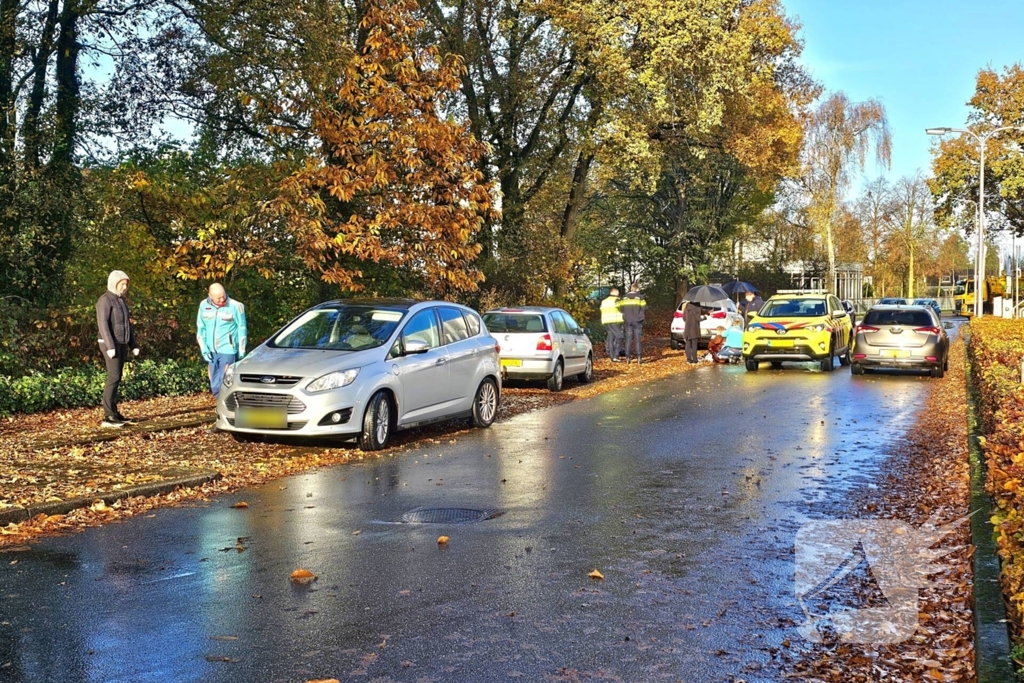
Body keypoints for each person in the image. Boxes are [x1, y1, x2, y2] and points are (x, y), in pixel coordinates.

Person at [96, 270, 140, 427]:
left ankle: (114, 413)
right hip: (109, 344)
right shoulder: (104, 300)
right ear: (114, 283)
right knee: (113, 377)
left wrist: (133, 344)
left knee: (118, 377)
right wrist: (110, 346)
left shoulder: (121, 301)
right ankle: (108, 416)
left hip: (121, 342)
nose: (125, 287)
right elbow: (103, 324)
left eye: (126, 284)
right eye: (122, 284)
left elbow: (127, 325)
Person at [196, 283, 248, 397]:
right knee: (214, 383)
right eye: (218, 298)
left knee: (225, 382)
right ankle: (219, 402)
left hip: (228, 349)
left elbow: (242, 328)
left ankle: (226, 403)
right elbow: (201, 327)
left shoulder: (236, 306)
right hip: (211, 350)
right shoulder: (203, 305)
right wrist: (203, 348)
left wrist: (242, 349)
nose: (222, 299)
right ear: (210, 296)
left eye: (223, 296)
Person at [618, 284, 647, 364]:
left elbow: (620, 308)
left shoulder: (624, 297)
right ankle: (639, 357)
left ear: (631, 288)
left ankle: (627, 357)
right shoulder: (640, 297)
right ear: (637, 289)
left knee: (628, 339)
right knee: (637, 339)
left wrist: (626, 314)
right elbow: (644, 308)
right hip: (637, 321)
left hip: (628, 321)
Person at [599, 287, 624, 362]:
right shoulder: (617, 300)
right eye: (618, 292)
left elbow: (601, 309)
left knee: (610, 337)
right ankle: (616, 355)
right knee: (620, 336)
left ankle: (612, 356)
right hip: (615, 321)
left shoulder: (604, 301)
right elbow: (622, 309)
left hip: (607, 321)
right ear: (616, 293)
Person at [681, 299, 704, 364]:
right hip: (694, 328)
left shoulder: (687, 307)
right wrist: (704, 318)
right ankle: (695, 360)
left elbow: (684, 318)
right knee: (694, 344)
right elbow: (698, 318)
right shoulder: (697, 307)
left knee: (687, 344)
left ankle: (688, 360)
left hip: (687, 328)